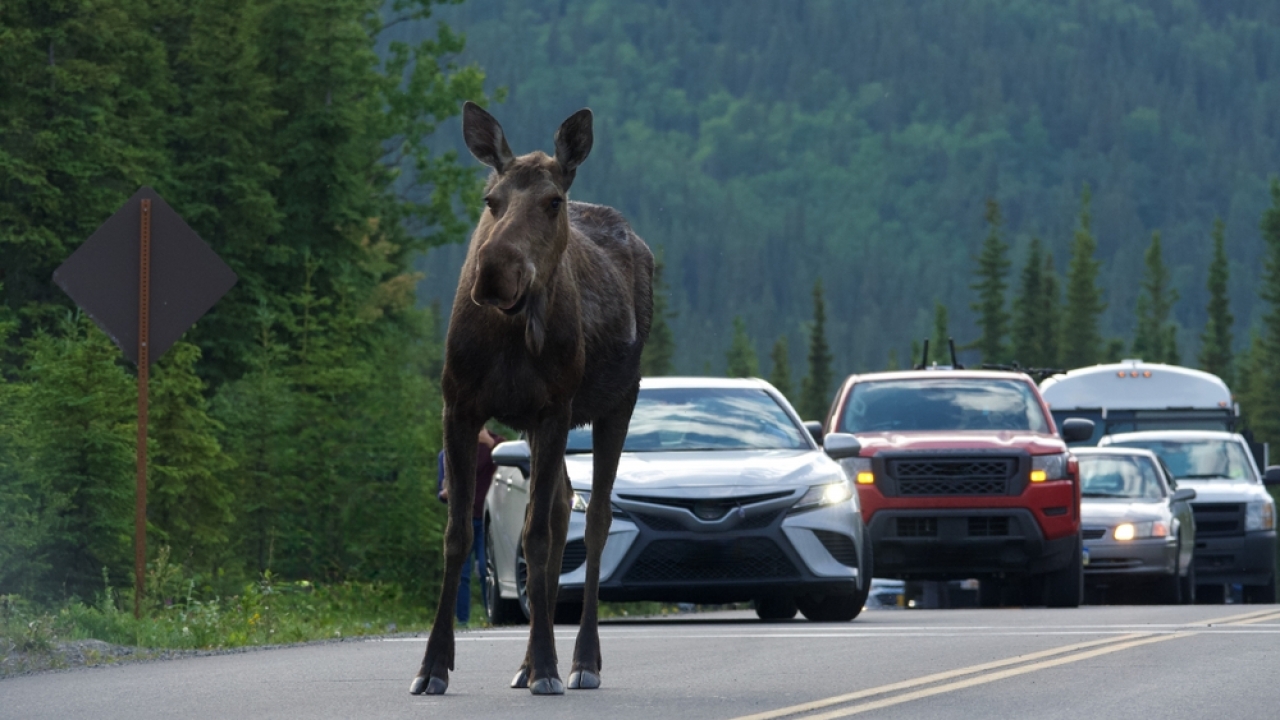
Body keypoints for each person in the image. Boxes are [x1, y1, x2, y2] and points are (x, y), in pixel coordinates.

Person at [436, 426, 506, 625]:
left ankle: (493, 616)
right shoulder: (452, 448)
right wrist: (444, 494)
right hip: (462, 519)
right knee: (461, 572)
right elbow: (442, 488)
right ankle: (462, 620)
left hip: (487, 519)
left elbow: (511, 461)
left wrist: (489, 442)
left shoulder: (496, 444)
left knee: (486, 569)